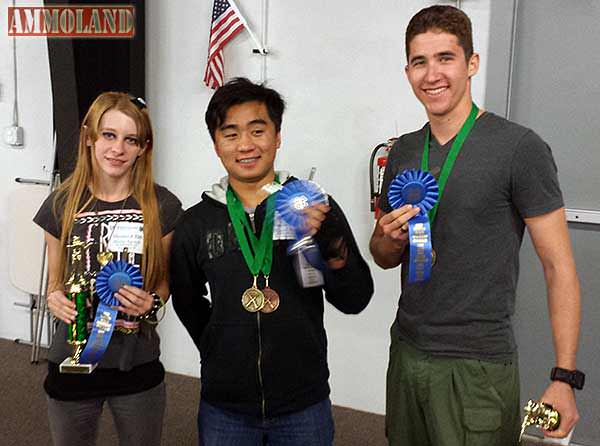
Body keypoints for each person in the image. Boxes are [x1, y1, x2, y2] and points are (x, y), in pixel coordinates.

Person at [369, 5, 582, 445]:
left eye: (445, 58)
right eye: (419, 61)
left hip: (478, 364)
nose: (432, 75)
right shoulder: (403, 153)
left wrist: (564, 376)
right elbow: (384, 255)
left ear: (472, 63)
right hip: (407, 352)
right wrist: (387, 239)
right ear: (407, 70)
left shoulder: (519, 148)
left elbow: (559, 268)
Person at [170, 77, 374, 446]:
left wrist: (327, 238)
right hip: (225, 408)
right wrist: (220, 347)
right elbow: (186, 299)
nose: (245, 145)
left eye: (257, 130)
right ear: (216, 144)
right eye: (230, 134)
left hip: (303, 403)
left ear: (277, 136)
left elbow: (355, 298)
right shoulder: (196, 222)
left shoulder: (313, 207)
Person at [34, 92, 182, 446]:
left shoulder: (162, 205)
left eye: (131, 140)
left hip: (137, 360)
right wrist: (53, 298)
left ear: (143, 148)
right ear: (89, 138)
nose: (118, 149)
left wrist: (153, 303)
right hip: (71, 357)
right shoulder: (59, 203)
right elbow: (55, 282)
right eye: (108, 135)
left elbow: (163, 283)